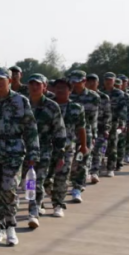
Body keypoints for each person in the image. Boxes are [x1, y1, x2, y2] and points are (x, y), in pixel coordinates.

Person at [0, 68, 40, 246]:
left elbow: (30, 128)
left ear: (10, 81)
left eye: (1, 80)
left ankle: (11, 226)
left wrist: (33, 152)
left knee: (8, 188)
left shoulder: (21, 101)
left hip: (13, 151)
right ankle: (0, 225)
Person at [25, 74, 66, 229]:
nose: (34, 87)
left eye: (38, 84)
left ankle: (33, 212)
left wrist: (60, 154)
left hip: (43, 150)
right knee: (23, 184)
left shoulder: (52, 106)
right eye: (31, 84)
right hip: (21, 150)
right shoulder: (21, 104)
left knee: (36, 181)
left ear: (45, 86)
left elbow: (59, 131)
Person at [49, 77, 86, 217]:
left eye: (63, 88)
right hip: (47, 147)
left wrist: (83, 145)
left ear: (70, 90)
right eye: (57, 87)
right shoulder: (47, 105)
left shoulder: (76, 108)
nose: (59, 90)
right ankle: (39, 202)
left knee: (62, 177)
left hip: (67, 148)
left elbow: (81, 128)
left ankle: (58, 204)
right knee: (43, 178)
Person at [68, 70, 100, 203]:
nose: (75, 84)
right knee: (71, 163)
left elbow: (93, 118)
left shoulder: (93, 97)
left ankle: (77, 188)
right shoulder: (68, 94)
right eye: (73, 81)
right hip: (69, 134)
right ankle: (74, 181)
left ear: (84, 81)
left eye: (78, 81)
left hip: (85, 133)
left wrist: (93, 135)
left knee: (81, 161)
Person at [100, 72, 129, 177]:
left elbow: (123, 109)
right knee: (100, 145)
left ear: (114, 81)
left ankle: (110, 168)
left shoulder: (119, 93)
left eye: (110, 80)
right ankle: (100, 165)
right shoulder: (100, 93)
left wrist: (122, 123)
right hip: (101, 122)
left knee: (112, 145)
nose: (108, 82)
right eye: (107, 80)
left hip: (114, 122)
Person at [86, 74, 109, 183]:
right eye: (89, 81)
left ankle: (95, 172)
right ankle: (86, 171)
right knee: (86, 152)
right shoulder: (82, 96)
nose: (91, 83)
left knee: (97, 150)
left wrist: (106, 128)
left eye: (93, 81)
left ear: (98, 83)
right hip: (85, 128)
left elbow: (107, 114)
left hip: (99, 127)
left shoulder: (103, 97)